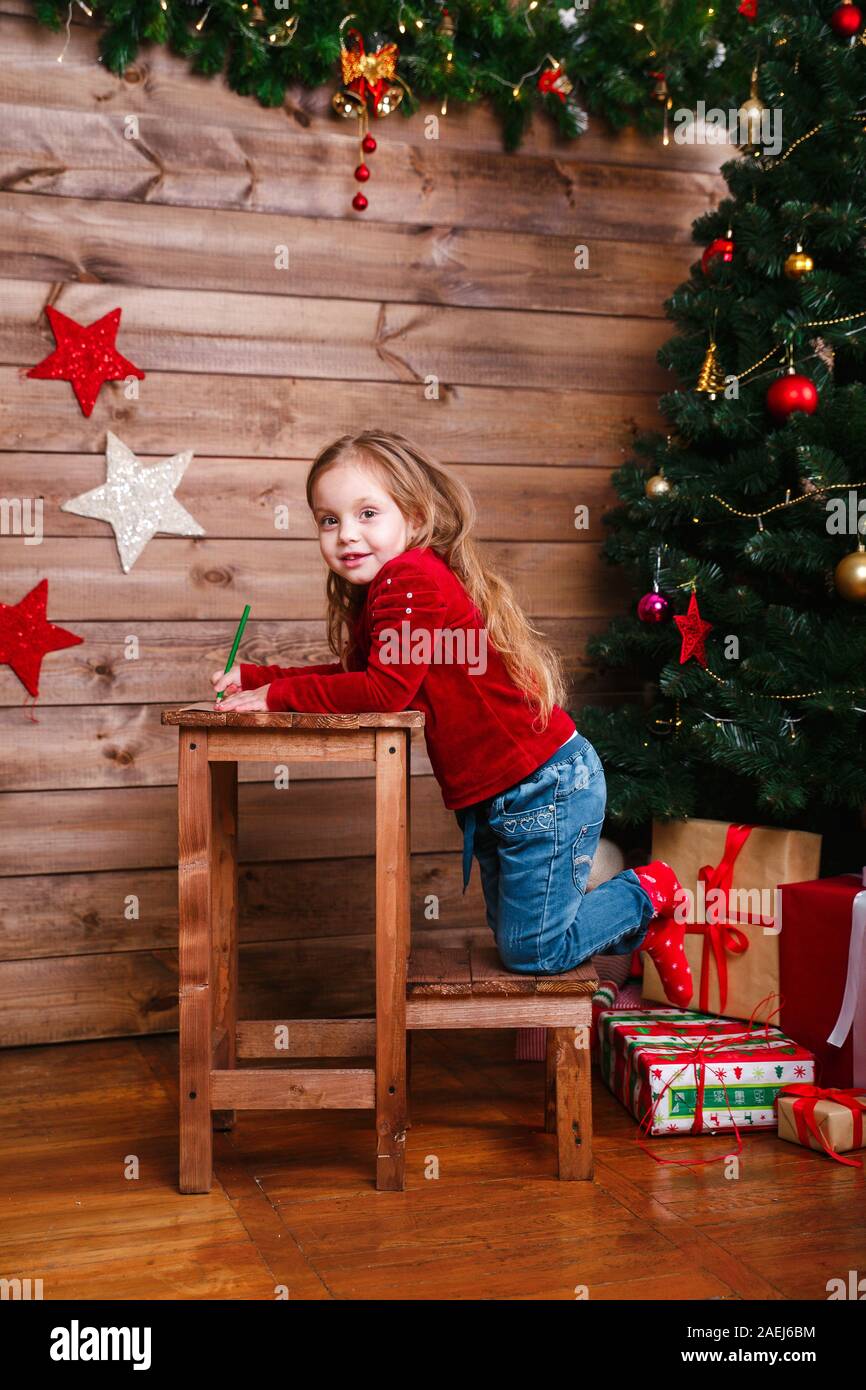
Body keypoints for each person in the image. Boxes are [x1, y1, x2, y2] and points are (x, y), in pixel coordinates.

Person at [211, 430, 692, 1002]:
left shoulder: (410, 578)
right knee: (526, 941)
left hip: (543, 784)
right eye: (328, 520)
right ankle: (636, 920)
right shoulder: (392, 587)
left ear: (413, 518)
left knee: (535, 950)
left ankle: (650, 893)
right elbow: (359, 671)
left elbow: (383, 690)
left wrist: (275, 699)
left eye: (367, 513)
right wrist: (264, 678)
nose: (347, 535)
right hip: (503, 795)